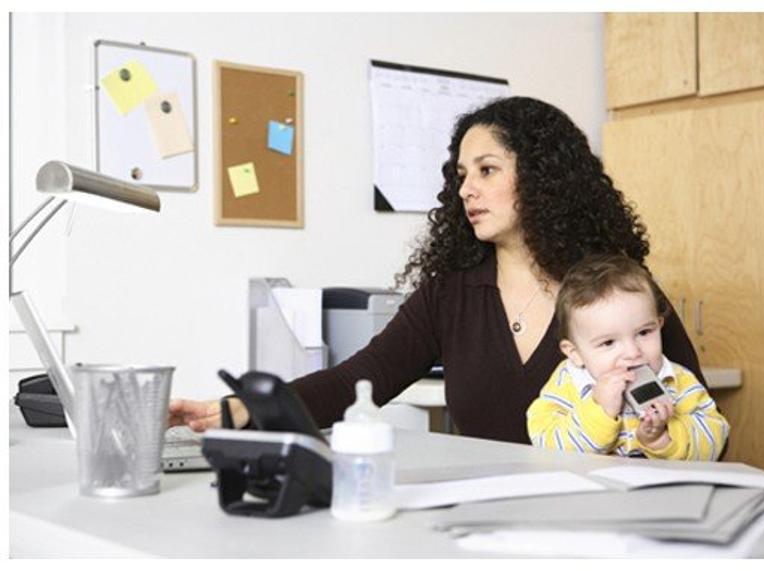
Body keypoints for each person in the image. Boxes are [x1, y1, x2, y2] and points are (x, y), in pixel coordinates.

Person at [169, 96, 707, 445]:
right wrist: (244, 410)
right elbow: (356, 382)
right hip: (484, 527)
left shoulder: (618, 291)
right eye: (460, 175)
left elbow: (706, 422)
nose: (466, 189)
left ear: (545, 179)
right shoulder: (449, 294)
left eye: (487, 170)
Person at [526, 254, 729, 460]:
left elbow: (715, 438)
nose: (633, 353)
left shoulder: (678, 380)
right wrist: (600, 412)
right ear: (575, 353)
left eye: (644, 333)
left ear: (659, 325)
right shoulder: (568, 382)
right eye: (608, 343)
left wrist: (662, 438)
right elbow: (546, 445)